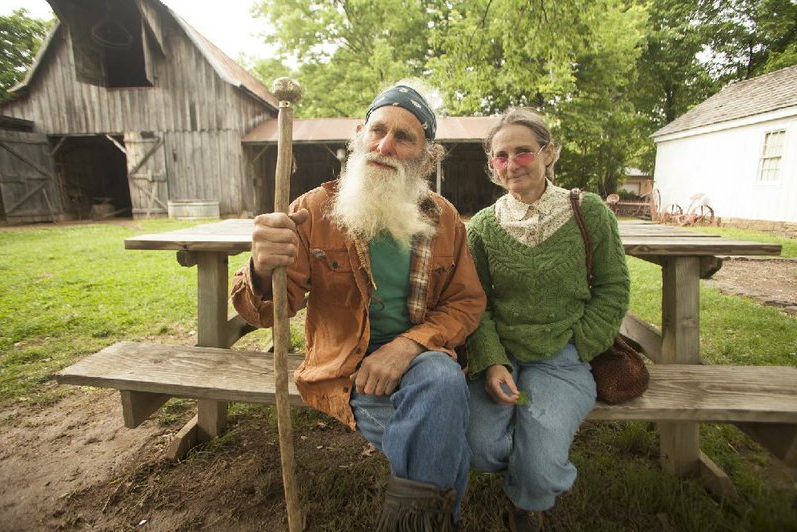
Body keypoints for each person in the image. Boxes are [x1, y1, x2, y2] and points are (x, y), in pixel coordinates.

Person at [231, 82, 486, 531]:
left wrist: (407, 345)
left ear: (428, 157)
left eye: (404, 138)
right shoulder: (312, 210)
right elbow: (263, 311)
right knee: (450, 439)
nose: (385, 145)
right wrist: (258, 266)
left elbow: (466, 304)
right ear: (359, 134)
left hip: (419, 358)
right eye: (378, 130)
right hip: (344, 367)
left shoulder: (444, 220)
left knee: (440, 375)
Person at [464, 108, 630, 531]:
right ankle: (528, 439)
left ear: (548, 152)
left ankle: (526, 499)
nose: (511, 163)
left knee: (540, 466)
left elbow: (613, 288)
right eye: (500, 156)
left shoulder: (588, 212)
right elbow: (475, 302)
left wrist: (579, 345)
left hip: (561, 360)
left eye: (523, 152)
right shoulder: (482, 227)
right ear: (492, 166)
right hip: (504, 360)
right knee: (479, 446)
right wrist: (491, 361)